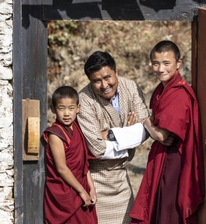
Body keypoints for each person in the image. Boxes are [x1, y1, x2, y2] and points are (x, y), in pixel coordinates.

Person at [130, 40, 204, 224]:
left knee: (168, 211)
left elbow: (163, 136)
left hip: (175, 161)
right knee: (157, 206)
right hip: (163, 157)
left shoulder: (179, 94)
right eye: (156, 63)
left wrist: (144, 119)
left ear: (178, 63)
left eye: (166, 63)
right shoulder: (162, 89)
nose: (160, 69)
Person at [77, 51, 149, 224]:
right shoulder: (84, 99)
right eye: (96, 81)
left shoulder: (130, 87)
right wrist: (128, 134)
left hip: (122, 180)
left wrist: (109, 134)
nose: (104, 85)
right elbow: (97, 148)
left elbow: (145, 129)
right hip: (97, 180)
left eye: (107, 77)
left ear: (116, 72)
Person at [43, 86, 98, 224]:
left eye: (71, 108)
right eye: (61, 108)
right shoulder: (56, 134)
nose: (66, 113)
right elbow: (62, 168)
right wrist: (81, 192)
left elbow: (84, 164)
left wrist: (91, 188)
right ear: (53, 108)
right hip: (66, 193)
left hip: (81, 186)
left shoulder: (77, 129)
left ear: (78, 108)